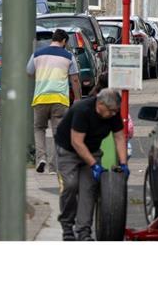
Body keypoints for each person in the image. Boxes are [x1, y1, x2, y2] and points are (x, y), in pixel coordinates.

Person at [53, 88, 128, 241]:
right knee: (70, 185)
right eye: (111, 111)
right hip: (69, 151)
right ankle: (67, 226)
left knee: (88, 189)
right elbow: (77, 142)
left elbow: (119, 137)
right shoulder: (82, 110)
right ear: (100, 104)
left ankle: (83, 231)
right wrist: (94, 165)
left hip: (92, 150)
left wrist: (123, 163)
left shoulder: (112, 113)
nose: (114, 115)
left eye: (115, 111)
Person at [27, 28, 81, 175]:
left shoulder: (37, 54)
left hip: (40, 98)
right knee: (58, 133)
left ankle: (41, 159)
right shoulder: (69, 56)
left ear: (53, 39)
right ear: (63, 41)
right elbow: (75, 79)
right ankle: (52, 166)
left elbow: (29, 72)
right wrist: (77, 99)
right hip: (60, 100)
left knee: (39, 129)